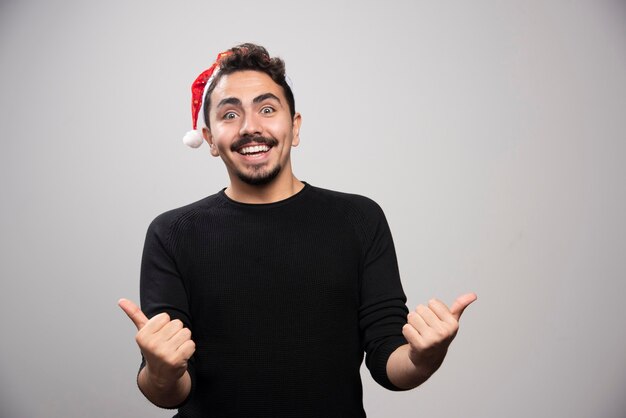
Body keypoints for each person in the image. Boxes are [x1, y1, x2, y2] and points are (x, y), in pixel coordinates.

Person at [119, 43, 477, 418]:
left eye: (267, 109)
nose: (250, 127)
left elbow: (389, 362)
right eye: (229, 115)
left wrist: (424, 356)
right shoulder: (172, 233)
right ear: (209, 139)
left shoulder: (359, 219)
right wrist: (159, 371)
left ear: (295, 126)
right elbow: (170, 388)